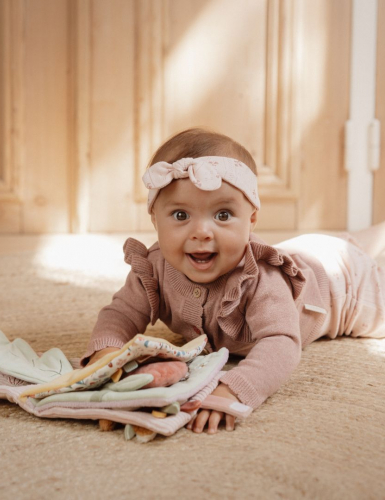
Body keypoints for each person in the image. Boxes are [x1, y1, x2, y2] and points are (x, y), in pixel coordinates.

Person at [80, 127, 385, 434]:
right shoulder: (154, 267)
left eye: (223, 215)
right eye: (181, 215)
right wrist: (107, 353)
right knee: (348, 243)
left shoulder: (261, 279)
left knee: (355, 261)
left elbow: (282, 343)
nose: (201, 232)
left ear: (251, 220)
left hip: (343, 288)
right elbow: (120, 313)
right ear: (154, 219)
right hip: (310, 250)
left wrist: (235, 388)